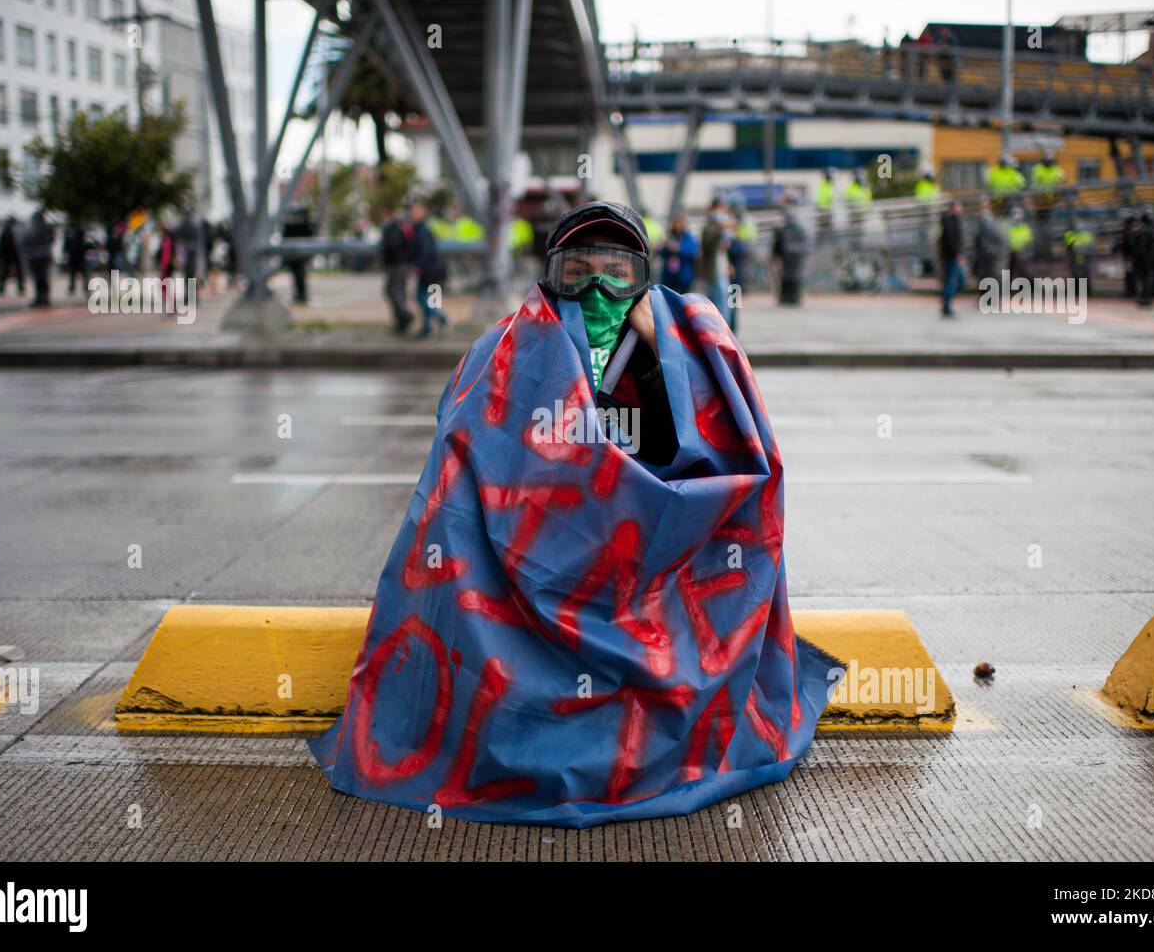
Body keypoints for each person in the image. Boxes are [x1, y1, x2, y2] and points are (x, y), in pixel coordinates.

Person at [305, 199, 836, 828]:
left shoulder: (680, 351)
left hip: (642, 585)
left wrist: (657, 353)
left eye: (617, 270)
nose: (596, 288)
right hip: (527, 584)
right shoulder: (501, 352)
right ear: (547, 275)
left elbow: (728, 469)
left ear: (645, 278)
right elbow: (461, 473)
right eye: (575, 270)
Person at [406, 200, 448, 338]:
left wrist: (417, 265)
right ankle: (427, 327)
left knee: (423, 298)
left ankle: (442, 319)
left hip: (429, 271)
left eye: (415, 211)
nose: (412, 214)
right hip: (430, 269)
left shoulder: (421, 230)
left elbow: (425, 251)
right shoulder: (420, 229)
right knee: (426, 298)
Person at [700, 199, 734, 331]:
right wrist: (720, 230)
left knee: (727, 301)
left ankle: (726, 329)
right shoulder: (709, 229)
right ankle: (719, 328)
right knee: (716, 300)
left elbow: (723, 250)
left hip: (722, 271)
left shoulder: (722, 230)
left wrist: (729, 264)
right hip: (713, 272)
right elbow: (708, 248)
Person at [380, 207, 414, 334]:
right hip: (401, 265)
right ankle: (402, 322)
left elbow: (392, 246)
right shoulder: (404, 229)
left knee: (393, 291)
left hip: (396, 265)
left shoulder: (394, 229)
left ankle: (405, 315)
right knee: (399, 293)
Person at [771, 198, 810, 305]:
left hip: (790, 256)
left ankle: (789, 296)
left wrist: (776, 254)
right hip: (793, 256)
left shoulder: (787, 229)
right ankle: (791, 296)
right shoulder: (797, 228)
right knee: (792, 275)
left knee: (789, 275)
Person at [22, 210, 55, 308]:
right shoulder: (43, 229)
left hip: (37, 257)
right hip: (41, 256)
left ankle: (41, 298)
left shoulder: (32, 229)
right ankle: (42, 298)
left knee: (39, 279)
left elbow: (25, 243)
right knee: (41, 278)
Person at [939, 198, 966, 318]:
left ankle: (946, 302)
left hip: (951, 256)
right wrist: (957, 254)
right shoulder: (950, 222)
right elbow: (951, 241)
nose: (961, 209)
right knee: (957, 280)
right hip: (951, 257)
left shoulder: (954, 221)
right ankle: (946, 303)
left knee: (955, 281)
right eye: (958, 207)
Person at [658, 213, 698, 293]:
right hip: (669, 276)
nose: (676, 226)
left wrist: (678, 249)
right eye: (675, 223)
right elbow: (662, 254)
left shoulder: (689, 237)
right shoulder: (670, 236)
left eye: (679, 223)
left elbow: (693, 252)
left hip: (683, 275)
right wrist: (664, 247)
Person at [282, 208, 315, 304]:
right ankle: (300, 295)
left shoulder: (304, 225)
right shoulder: (303, 225)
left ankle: (301, 295)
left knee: (299, 276)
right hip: (295, 255)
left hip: (299, 256)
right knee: (297, 276)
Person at [973, 200, 1006, 289]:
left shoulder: (987, 223)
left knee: (990, 278)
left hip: (988, 256)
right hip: (988, 256)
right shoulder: (986, 222)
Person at [0, 216, 25, 297]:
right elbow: (1, 244)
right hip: (8, 255)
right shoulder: (7, 230)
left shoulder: (14, 230)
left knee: (17, 273)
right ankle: (2, 289)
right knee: (5, 273)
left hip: (14, 255)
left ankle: (20, 288)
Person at [1132, 211, 1154, 307]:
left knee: (1144, 279)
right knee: (1146, 278)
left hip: (1143, 259)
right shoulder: (1151, 229)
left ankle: (1145, 298)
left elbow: (1141, 247)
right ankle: (1145, 297)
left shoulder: (1143, 230)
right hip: (1147, 258)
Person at [1064, 223, 1095, 297]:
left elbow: (1070, 246)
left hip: (1080, 257)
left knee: (1081, 274)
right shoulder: (1084, 234)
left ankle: (1084, 291)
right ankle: (1082, 291)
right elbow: (1070, 246)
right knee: (1080, 274)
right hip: (1078, 257)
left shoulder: (1073, 234)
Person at [1007, 207, 1033, 282]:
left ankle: (1028, 284)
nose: (1017, 221)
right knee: (1012, 270)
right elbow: (1008, 240)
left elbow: (1028, 240)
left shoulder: (1025, 228)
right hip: (1013, 252)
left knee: (1025, 269)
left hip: (1023, 251)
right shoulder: (1010, 228)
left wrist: (1022, 246)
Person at [63, 223, 88, 295]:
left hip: (79, 254)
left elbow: (84, 242)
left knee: (83, 272)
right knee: (72, 272)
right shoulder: (67, 231)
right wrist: (65, 252)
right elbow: (66, 243)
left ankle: (85, 287)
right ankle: (72, 287)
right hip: (72, 255)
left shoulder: (80, 231)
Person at [156, 220, 176, 311]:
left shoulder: (166, 239)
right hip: (167, 266)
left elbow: (166, 254)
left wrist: (163, 266)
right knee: (165, 286)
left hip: (166, 266)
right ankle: (171, 305)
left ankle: (171, 306)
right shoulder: (166, 238)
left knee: (165, 286)